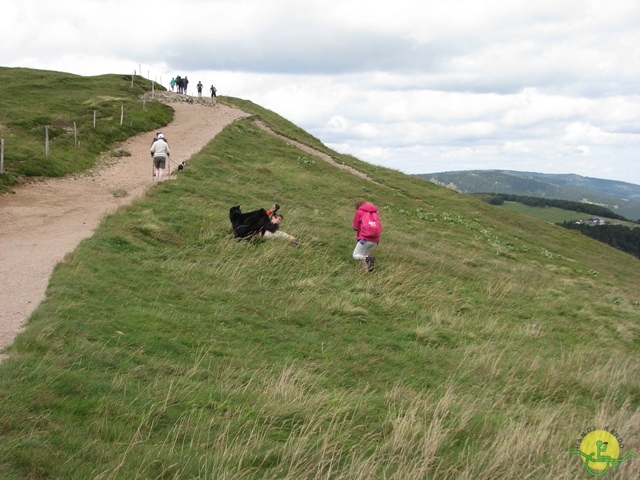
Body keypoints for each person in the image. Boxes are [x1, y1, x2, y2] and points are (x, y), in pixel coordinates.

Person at [352, 198, 382, 272]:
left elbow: (355, 227)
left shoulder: (359, 212)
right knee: (364, 255)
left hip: (365, 239)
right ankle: (366, 271)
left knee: (355, 255)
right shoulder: (374, 212)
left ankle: (368, 259)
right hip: (375, 240)